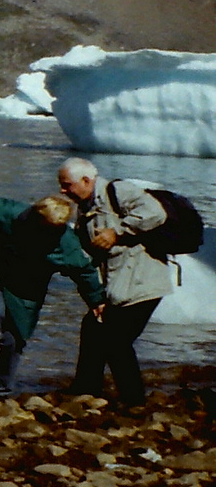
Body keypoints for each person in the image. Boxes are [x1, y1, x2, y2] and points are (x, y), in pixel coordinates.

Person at [0, 195, 103, 400]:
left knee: (15, 338)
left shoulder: (65, 243)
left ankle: (1, 391)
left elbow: (84, 272)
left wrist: (96, 301)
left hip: (26, 285)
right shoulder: (12, 211)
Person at [57, 157, 171, 409]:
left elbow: (155, 214)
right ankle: (87, 388)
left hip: (144, 281)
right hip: (117, 286)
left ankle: (134, 401)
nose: (63, 191)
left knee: (117, 341)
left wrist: (117, 231)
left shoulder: (118, 192)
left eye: (67, 185)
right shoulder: (85, 209)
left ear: (86, 181)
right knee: (92, 327)